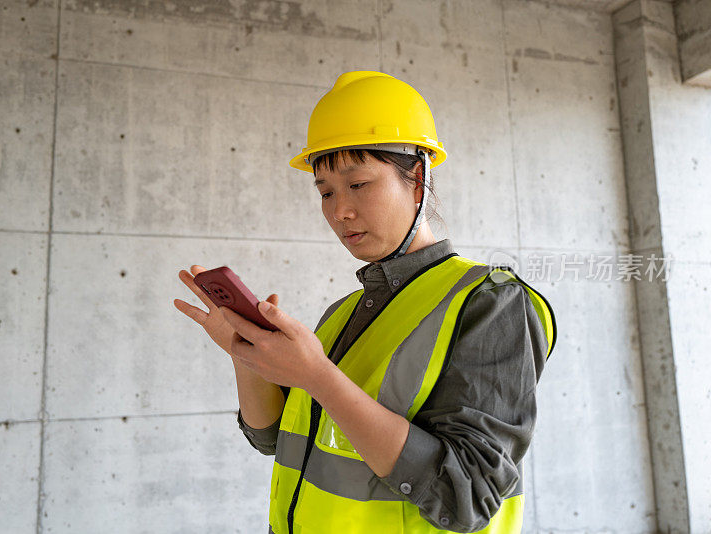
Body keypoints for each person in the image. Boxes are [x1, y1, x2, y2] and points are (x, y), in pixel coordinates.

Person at [173, 71, 556, 533]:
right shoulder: (342, 313)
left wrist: (319, 377)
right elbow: (272, 437)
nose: (339, 212)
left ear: (417, 179)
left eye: (359, 185)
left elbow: (469, 495)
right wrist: (244, 352)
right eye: (326, 192)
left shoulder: (491, 304)